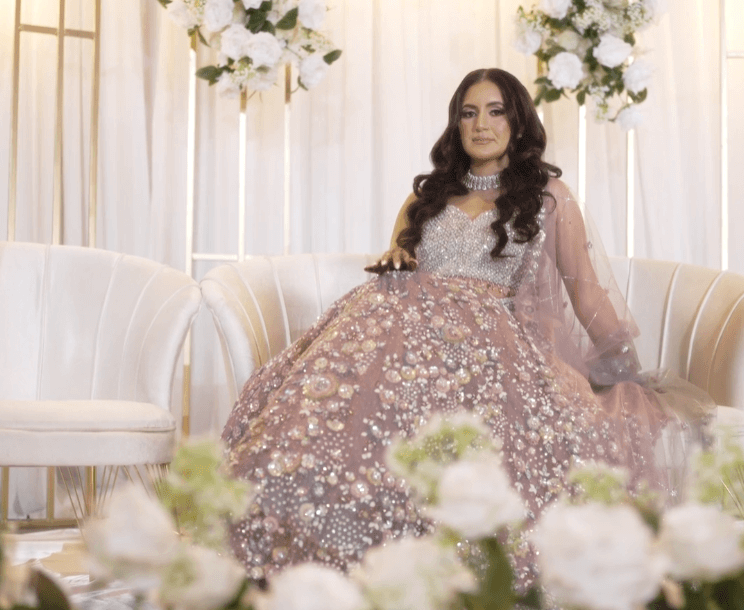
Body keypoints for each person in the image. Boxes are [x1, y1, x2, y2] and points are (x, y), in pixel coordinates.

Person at [220, 68, 713, 581]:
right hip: (408, 332)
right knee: (334, 406)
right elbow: (401, 255)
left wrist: (626, 372)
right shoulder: (426, 198)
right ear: (456, 125)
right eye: (468, 113)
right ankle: (322, 543)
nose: (481, 125)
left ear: (518, 122)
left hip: (491, 344)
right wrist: (396, 258)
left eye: (496, 111)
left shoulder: (547, 196)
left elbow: (584, 290)